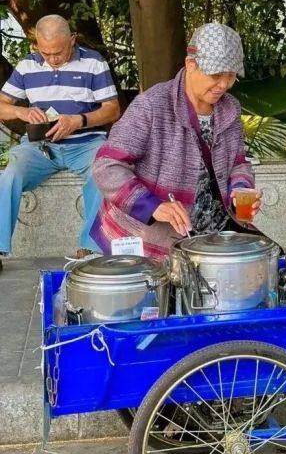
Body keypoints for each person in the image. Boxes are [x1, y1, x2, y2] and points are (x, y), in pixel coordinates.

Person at [91, 23, 259, 260]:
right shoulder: (151, 106)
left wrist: (240, 190)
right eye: (215, 75)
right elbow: (106, 166)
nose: (223, 85)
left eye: (231, 76)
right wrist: (153, 206)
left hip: (211, 236)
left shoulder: (230, 109)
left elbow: (239, 163)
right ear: (190, 64)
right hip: (145, 238)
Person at [0, 14, 120, 272]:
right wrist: (22, 111)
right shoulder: (27, 66)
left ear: (72, 40)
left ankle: (90, 248)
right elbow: (2, 106)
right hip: (40, 147)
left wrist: (79, 120)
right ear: (36, 45)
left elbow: (112, 110)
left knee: (103, 170)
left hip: (86, 142)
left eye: (58, 52)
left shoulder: (93, 62)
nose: (52, 59)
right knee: (11, 173)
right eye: (46, 53)